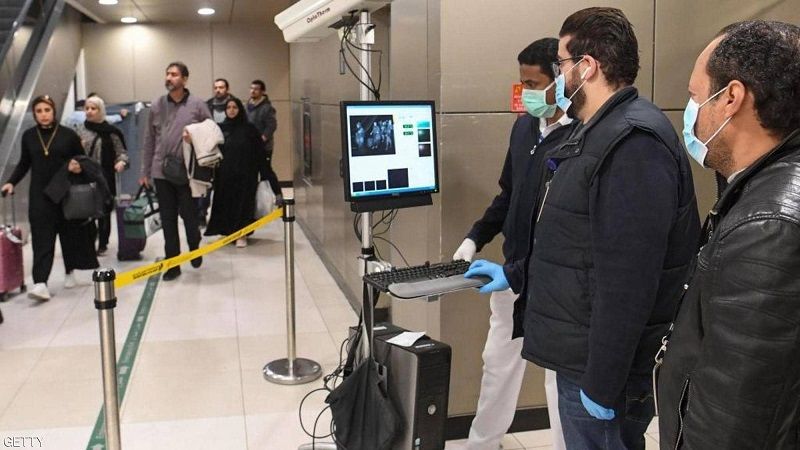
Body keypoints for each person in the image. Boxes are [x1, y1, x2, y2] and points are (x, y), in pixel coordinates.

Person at [476, 8, 698, 449]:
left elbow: (630, 280)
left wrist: (602, 379)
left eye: (561, 64)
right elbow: (578, 243)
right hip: (581, 353)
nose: (559, 76)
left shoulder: (633, 143)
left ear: (587, 66)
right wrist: (518, 273)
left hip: (599, 369)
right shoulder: (595, 130)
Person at [657, 20, 800, 450]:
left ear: (731, 98)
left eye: (695, 96)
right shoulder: (762, 191)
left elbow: (735, 416)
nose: (690, 111)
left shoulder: (768, 228)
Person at [457, 38, 572, 450]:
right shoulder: (524, 127)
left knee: (558, 381)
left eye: (533, 84)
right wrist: (475, 237)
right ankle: (482, 443)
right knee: (497, 365)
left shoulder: (579, 135)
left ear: (559, 81)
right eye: (522, 83)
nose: (526, 93)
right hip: (510, 277)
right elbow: (509, 194)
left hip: (554, 285)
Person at [1, 95, 99, 300]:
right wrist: (11, 182)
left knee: (69, 234)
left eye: (47, 110)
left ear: (54, 111)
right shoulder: (29, 136)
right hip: (40, 195)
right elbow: (24, 163)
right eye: (39, 111)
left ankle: (70, 271)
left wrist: (78, 167)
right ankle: (40, 283)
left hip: (65, 193)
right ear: (34, 114)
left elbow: (83, 160)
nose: (43, 115)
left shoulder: (68, 135)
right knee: (41, 238)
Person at [140, 62, 211, 281]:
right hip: (161, 171)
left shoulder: (197, 105)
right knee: (168, 219)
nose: (169, 78)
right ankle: (173, 264)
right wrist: (145, 171)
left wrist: (195, 135)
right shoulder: (157, 105)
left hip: (187, 172)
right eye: (167, 74)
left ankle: (194, 246)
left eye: (174, 74)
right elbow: (149, 139)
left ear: (185, 79)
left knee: (189, 216)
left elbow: (211, 132)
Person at [204, 97, 271, 248]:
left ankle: (242, 234)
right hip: (225, 175)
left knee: (243, 205)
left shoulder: (249, 129)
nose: (231, 110)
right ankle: (229, 232)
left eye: (235, 107)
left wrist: (266, 175)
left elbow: (259, 153)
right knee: (227, 204)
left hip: (246, 175)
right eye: (229, 108)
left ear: (240, 109)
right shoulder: (220, 129)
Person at [75, 95, 129, 255]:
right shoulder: (79, 130)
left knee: (104, 210)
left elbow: (122, 152)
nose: (89, 111)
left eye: (94, 108)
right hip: (84, 176)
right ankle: (89, 241)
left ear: (101, 110)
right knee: (86, 209)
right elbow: (72, 152)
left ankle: (103, 242)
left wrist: (121, 162)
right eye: (87, 108)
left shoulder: (111, 132)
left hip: (105, 177)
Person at [246, 79, 282, 204]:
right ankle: (254, 198)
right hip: (250, 146)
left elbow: (271, 126)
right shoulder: (247, 106)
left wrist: (263, 138)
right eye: (251, 88)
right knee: (251, 171)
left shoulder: (267, 108)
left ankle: (277, 195)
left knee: (266, 170)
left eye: (256, 89)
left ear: (262, 91)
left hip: (264, 146)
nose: (253, 91)